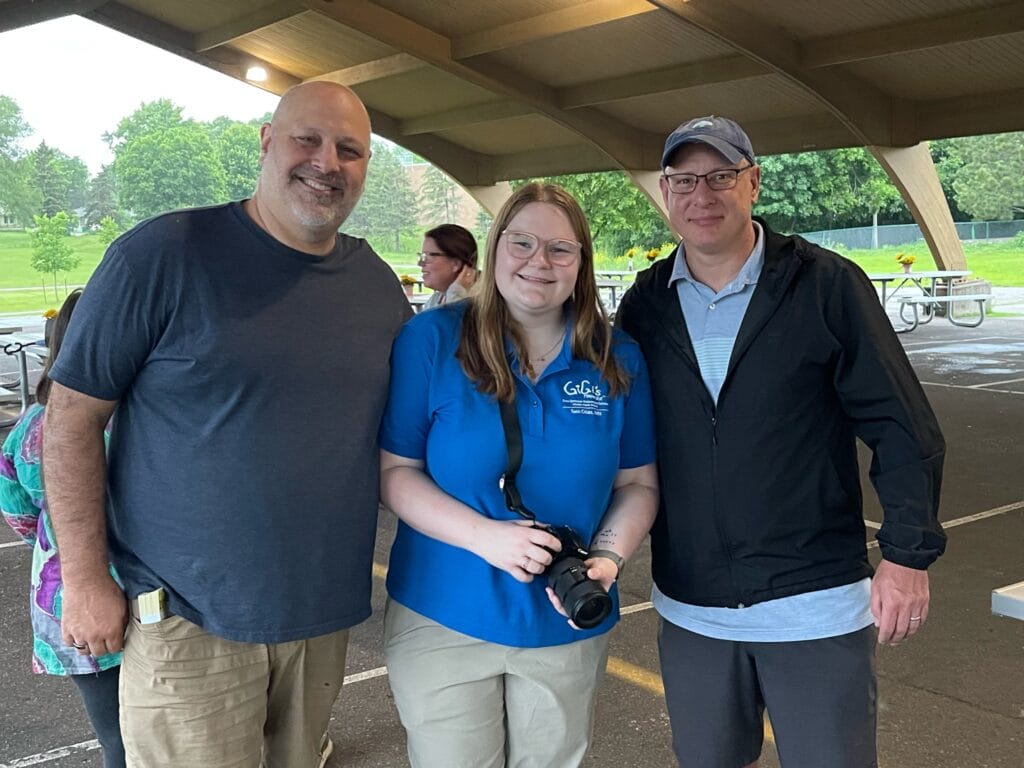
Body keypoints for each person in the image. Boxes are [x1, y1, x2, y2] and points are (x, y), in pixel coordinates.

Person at [41, 81, 412, 768]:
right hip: (186, 622)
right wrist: (85, 577)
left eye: (350, 149)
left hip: (319, 619)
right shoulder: (162, 256)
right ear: (268, 143)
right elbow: (69, 419)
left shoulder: (376, 286)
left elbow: (412, 433)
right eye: (308, 139)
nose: (326, 162)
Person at [615, 115, 947, 768]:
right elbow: (615, 435)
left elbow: (901, 425)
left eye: (720, 176)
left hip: (813, 605)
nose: (701, 195)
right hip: (693, 609)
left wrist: (908, 555)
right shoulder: (646, 303)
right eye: (684, 180)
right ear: (665, 191)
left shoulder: (826, 285)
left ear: (754, 183)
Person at [379, 182, 659, 768]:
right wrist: (485, 537)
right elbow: (397, 473)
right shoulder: (431, 340)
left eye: (560, 249)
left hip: (564, 618)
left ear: (581, 263)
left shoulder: (618, 356)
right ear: (495, 247)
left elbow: (637, 484)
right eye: (522, 242)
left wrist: (607, 559)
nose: (539, 261)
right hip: (444, 614)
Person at [0, 290, 125, 768]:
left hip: (64, 603)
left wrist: (56, 546)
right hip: (136, 597)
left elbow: (19, 513)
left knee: (114, 736)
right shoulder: (130, 420)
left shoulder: (29, 424)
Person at [418, 223, 478, 309]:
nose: (421, 263)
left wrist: (455, 293)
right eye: (422, 256)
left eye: (429, 256)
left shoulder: (480, 303)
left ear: (456, 264)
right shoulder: (434, 300)